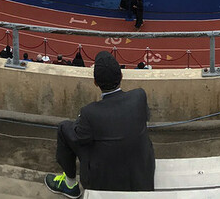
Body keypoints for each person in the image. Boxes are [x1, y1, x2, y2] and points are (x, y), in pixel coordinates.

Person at [45, 52, 155, 196]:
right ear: (121, 76)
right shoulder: (139, 96)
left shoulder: (89, 113)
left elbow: (78, 136)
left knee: (64, 128)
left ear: (95, 82)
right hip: (143, 176)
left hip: (105, 182)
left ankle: (70, 184)